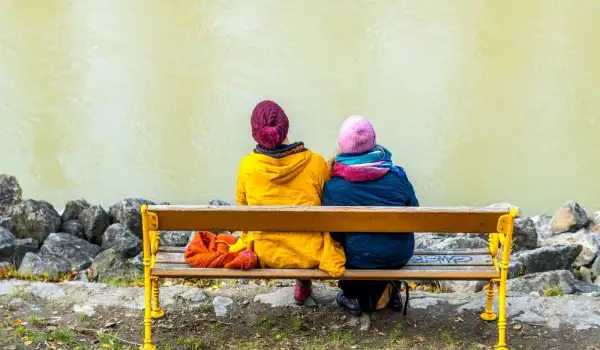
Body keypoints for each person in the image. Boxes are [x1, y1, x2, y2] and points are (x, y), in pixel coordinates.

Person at [229, 100, 346, 305]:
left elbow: (243, 212)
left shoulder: (247, 165)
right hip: (310, 251)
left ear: (255, 133)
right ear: (286, 127)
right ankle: (303, 283)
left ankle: (303, 284)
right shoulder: (315, 162)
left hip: (265, 252)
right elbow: (328, 201)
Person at [322, 115, 418, 316]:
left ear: (342, 145)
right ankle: (392, 291)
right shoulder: (398, 177)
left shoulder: (334, 186)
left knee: (349, 245)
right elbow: (414, 213)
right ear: (374, 141)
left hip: (357, 258)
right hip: (398, 255)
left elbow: (335, 234)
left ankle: (351, 295)